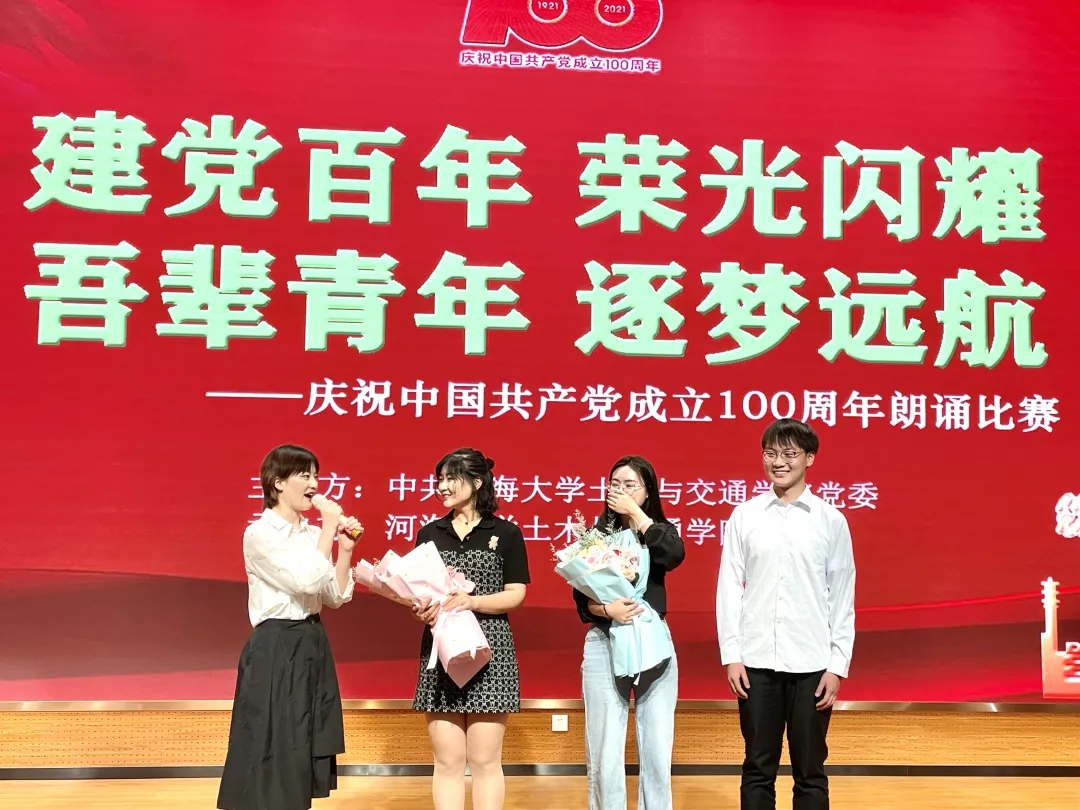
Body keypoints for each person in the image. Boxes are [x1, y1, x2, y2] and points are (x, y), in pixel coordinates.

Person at [716, 419, 856, 810]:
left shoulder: (830, 520)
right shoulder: (745, 515)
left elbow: (842, 595)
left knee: (810, 770)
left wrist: (837, 665)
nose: (779, 462)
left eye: (789, 454)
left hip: (812, 664)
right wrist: (732, 655)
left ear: (809, 458)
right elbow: (729, 587)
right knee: (757, 767)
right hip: (756, 662)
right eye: (771, 453)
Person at [217, 444, 362, 810]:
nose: (314, 484)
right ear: (278, 482)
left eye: (316, 475)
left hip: (312, 640)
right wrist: (328, 529)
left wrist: (344, 550)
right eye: (305, 475)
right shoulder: (260, 533)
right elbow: (304, 581)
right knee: (273, 742)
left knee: (303, 738)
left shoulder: (311, 535)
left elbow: (333, 596)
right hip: (276, 645)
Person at [411, 448, 531, 810]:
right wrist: (420, 609)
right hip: (441, 651)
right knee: (447, 761)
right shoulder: (429, 533)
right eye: (440, 479)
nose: (442, 486)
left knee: (484, 760)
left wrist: (472, 601)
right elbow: (420, 590)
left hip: (489, 652)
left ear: (477, 482)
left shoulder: (506, 533)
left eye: (451, 478)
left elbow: (516, 594)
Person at [573, 455, 686, 810]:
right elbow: (582, 601)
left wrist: (637, 516)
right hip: (604, 640)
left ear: (647, 491)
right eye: (615, 484)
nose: (619, 491)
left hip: (652, 641)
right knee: (604, 747)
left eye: (629, 485)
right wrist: (609, 610)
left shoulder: (659, 531)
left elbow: (673, 555)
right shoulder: (595, 539)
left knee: (656, 746)